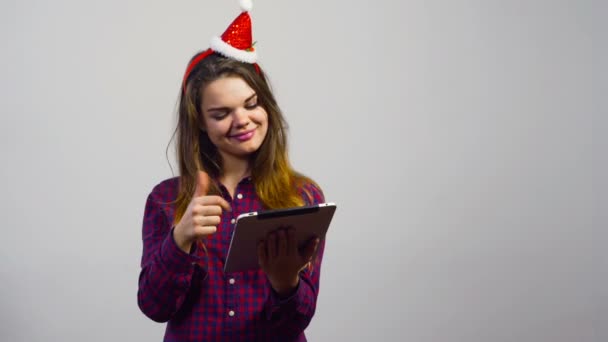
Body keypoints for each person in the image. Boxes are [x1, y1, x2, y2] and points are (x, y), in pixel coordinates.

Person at [137, 1, 327, 341]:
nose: (242, 120)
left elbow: (297, 320)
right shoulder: (166, 199)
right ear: (201, 125)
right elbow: (154, 307)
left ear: (265, 105)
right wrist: (181, 239)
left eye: (251, 104)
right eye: (221, 113)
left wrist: (286, 282)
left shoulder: (302, 196)